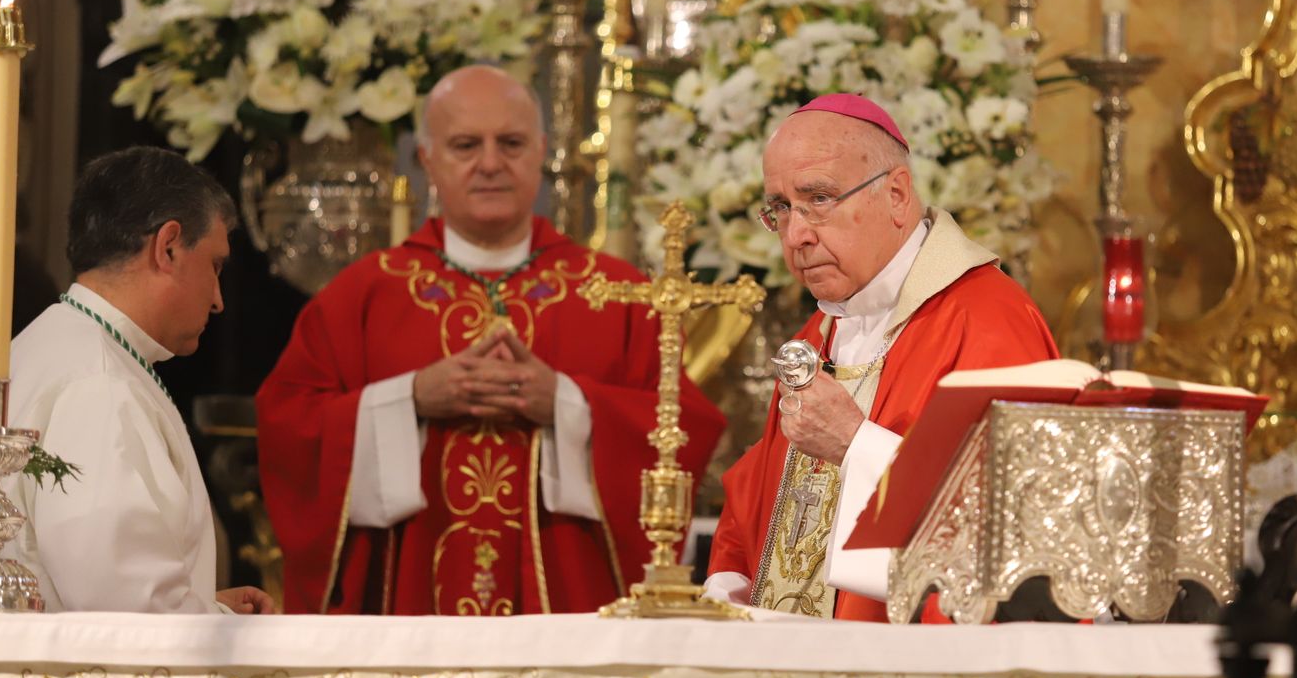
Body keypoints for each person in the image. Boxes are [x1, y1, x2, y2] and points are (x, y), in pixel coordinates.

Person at [257, 66, 724, 615]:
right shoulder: (364, 294)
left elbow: (685, 428)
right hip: (410, 616)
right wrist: (409, 400)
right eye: (464, 145)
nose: (490, 163)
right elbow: (287, 427)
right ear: (427, 159)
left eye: (511, 143)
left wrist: (567, 403)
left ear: (541, 152)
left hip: (570, 616)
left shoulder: (615, 293)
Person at [704, 95, 1059, 621]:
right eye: (780, 209)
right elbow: (761, 493)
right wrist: (729, 584)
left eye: (818, 198)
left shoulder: (987, 321)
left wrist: (854, 445)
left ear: (896, 194)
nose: (796, 235)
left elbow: (1017, 527)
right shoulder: (824, 327)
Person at [6, 146, 274, 615]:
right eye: (214, 266)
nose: (218, 300)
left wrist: (199, 604)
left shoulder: (52, 345)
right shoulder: (99, 383)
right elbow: (126, 615)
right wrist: (229, 624)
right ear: (168, 246)